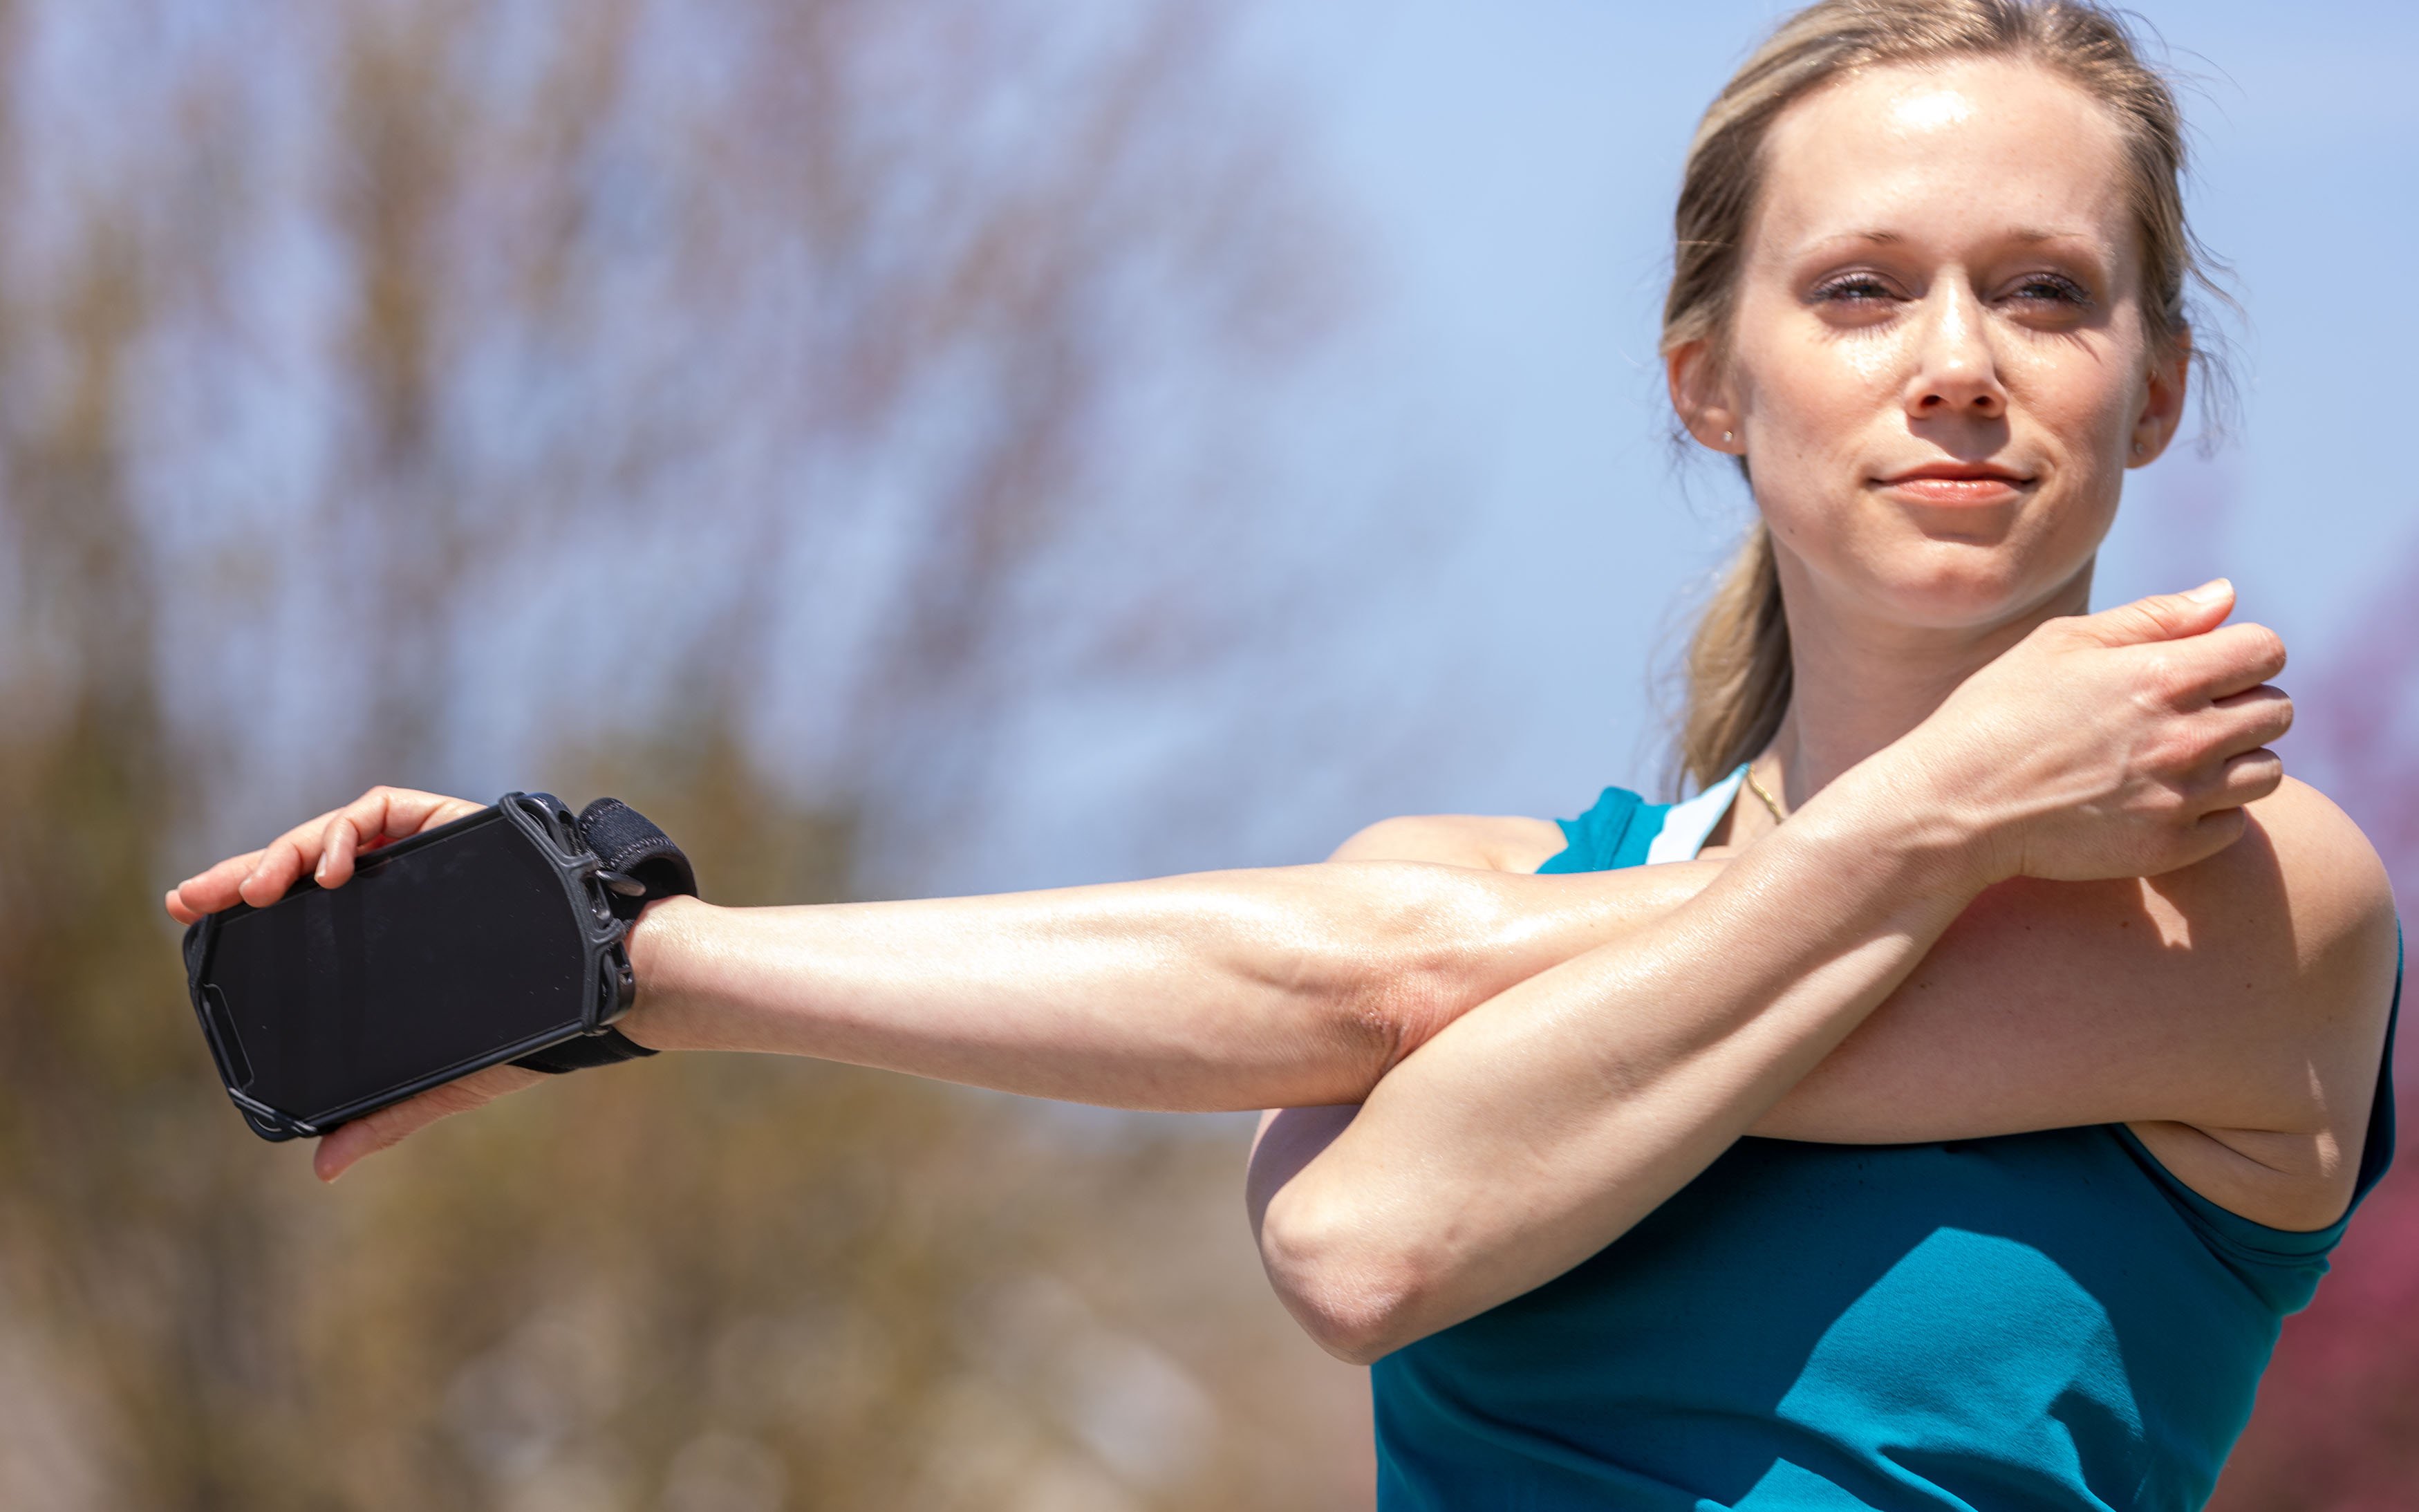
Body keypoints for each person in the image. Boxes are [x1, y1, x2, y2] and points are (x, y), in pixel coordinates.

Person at [166, 1, 2401, 1505]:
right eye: (1855, 289)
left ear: (2154, 387)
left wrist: (650, 957)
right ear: (1703, 379)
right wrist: (621, 951)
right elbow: (1377, 1075)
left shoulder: (2244, 900)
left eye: (2040, 290)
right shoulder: (1453, 871)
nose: (1953, 364)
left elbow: (1376, 1221)